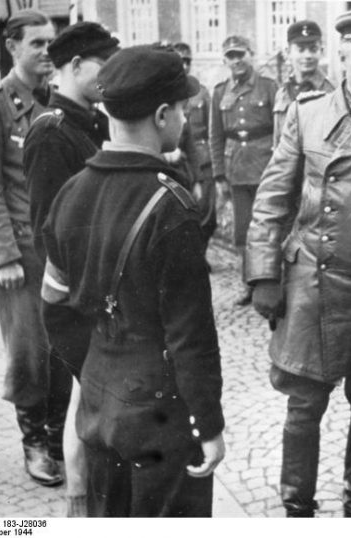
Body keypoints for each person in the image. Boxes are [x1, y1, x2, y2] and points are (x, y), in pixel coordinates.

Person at [246, 7, 351, 517]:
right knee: (304, 405)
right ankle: (297, 504)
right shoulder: (308, 113)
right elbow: (272, 199)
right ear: (342, 58)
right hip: (312, 284)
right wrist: (263, 274)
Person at [40, 45, 225, 517]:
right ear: (162, 115)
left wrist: (99, 369)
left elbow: (54, 307)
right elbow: (191, 336)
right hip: (160, 419)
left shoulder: (69, 194)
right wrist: (209, 425)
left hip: (99, 406)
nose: (184, 118)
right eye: (182, 109)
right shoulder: (173, 209)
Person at [22, 21, 120, 516]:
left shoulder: (92, 124)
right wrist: (82, 297)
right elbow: (49, 231)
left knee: (94, 402)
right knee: (87, 406)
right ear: (76, 66)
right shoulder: (51, 133)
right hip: (79, 298)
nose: (111, 74)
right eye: (104, 64)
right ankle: (81, 509)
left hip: (99, 291)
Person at [0, 8, 61, 487]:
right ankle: (35, 441)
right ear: (13, 48)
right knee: (28, 350)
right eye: (38, 43)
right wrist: (1, 256)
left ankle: (61, 433)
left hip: (61, 249)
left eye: (51, 43)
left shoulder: (57, 102)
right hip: (21, 253)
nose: (48, 51)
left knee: (64, 343)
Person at [209, 35, 277, 306]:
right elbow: (216, 137)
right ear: (225, 60)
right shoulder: (219, 92)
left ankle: (272, 285)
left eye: (241, 54)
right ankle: (249, 284)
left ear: (252, 54)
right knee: (242, 234)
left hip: (266, 170)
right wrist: (218, 176)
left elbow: (281, 131)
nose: (236, 60)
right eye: (230, 56)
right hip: (236, 171)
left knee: (270, 229)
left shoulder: (269, 87)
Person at [173, 42, 216, 255]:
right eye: (179, 61)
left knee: (207, 212)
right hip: (176, 159)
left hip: (201, 156)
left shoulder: (201, 93)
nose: (184, 65)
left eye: (187, 61)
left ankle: (202, 252)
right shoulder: (166, 94)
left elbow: (212, 127)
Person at [273, 20, 334, 147]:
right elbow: (277, 141)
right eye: (300, 50)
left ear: (321, 51)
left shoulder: (331, 92)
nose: (307, 56)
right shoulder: (282, 92)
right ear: (288, 52)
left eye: (313, 49)